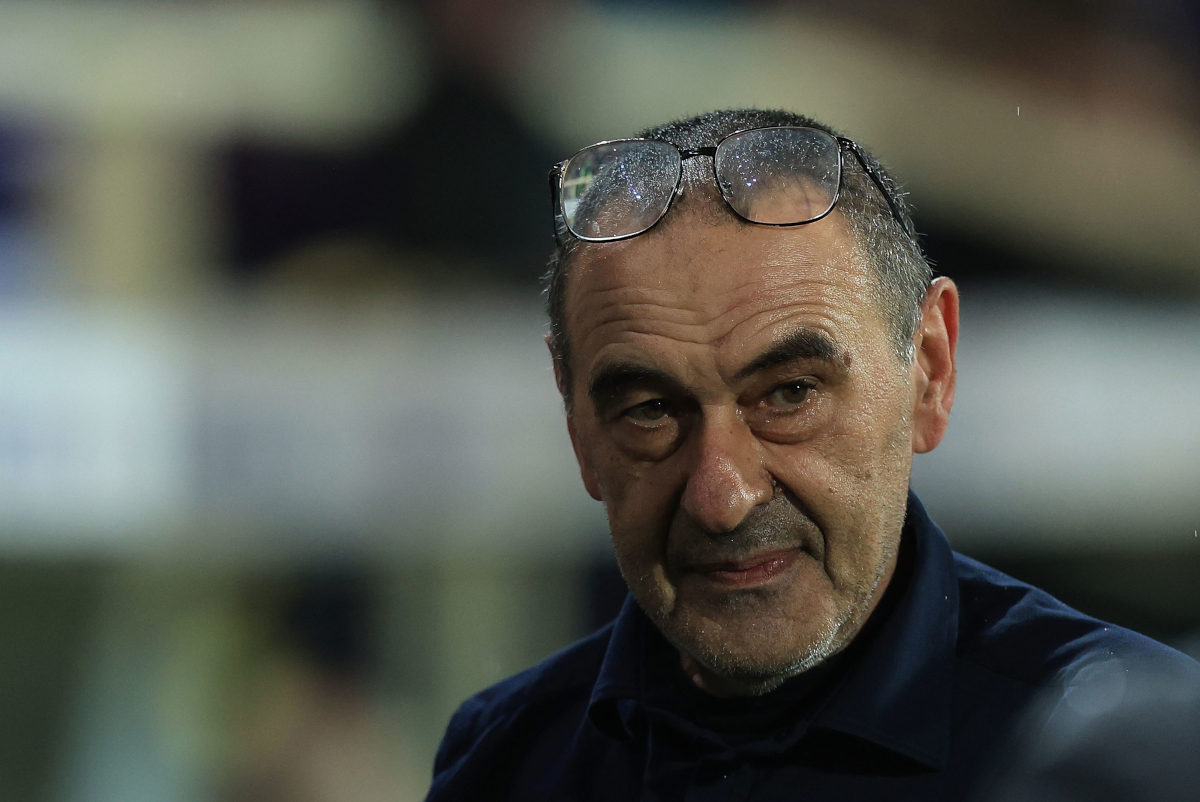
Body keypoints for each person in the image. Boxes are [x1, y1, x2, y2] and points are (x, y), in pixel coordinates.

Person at [423, 109, 1198, 801]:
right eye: (651, 411)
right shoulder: (503, 761)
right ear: (577, 428)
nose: (722, 497)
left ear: (930, 369)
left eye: (790, 394)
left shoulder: (1137, 761)